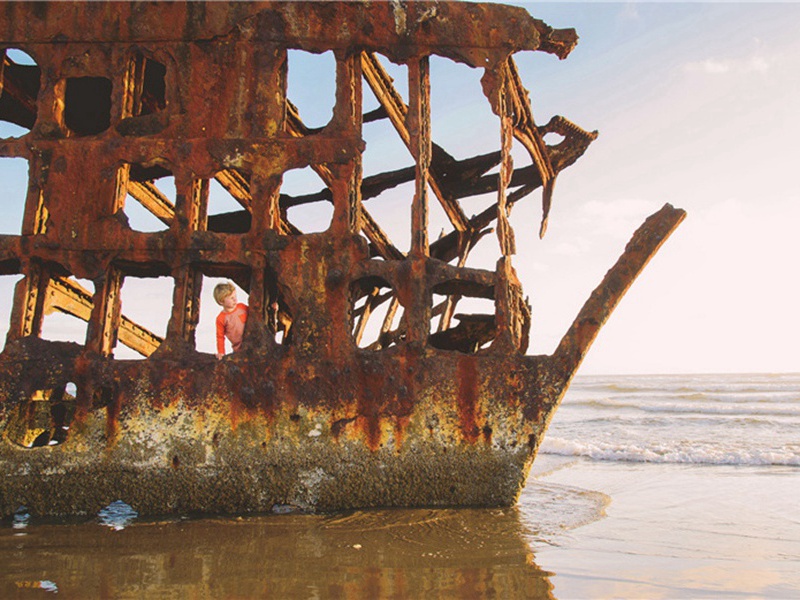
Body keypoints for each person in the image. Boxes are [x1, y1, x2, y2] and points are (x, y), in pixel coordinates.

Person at [214, 282, 248, 359]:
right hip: (238, 349)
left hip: (252, 343)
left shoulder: (242, 307)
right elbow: (220, 337)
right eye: (231, 298)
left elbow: (256, 314)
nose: (235, 299)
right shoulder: (221, 318)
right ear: (221, 301)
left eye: (235, 296)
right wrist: (221, 352)